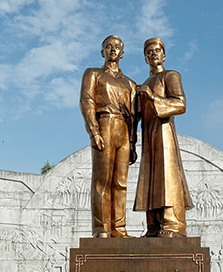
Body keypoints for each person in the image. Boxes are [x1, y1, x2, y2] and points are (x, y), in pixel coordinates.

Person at [134, 37, 193, 238]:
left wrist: (153, 97)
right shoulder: (144, 84)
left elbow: (180, 104)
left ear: (164, 55)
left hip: (164, 132)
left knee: (166, 174)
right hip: (149, 134)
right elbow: (137, 114)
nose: (153, 54)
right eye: (149, 52)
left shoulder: (171, 75)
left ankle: (172, 223)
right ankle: (153, 224)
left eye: (157, 50)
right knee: (150, 177)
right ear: (145, 58)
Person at [80, 35, 137, 238]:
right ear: (102, 51)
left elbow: (134, 116)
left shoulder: (130, 83)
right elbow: (87, 101)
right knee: (102, 180)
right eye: (108, 46)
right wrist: (93, 131)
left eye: (117, 47)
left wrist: (132, 145)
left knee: (120, 182)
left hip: (124, 128)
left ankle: (119, 228)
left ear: (122, 53)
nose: (113, 49)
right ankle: (101, 229)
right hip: (104, 123)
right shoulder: (93, 74)